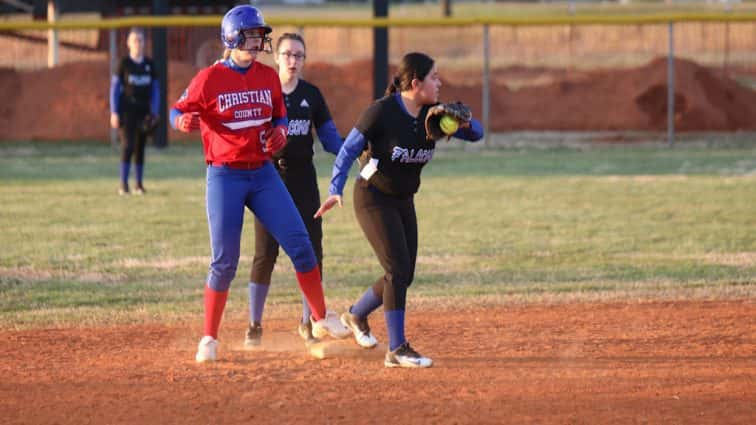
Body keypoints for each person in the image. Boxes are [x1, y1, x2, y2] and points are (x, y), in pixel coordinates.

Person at [169, 5, 350, 363]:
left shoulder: (267, 77)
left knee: (301, 245)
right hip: (225, 174)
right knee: (225, 262)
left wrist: (280, 131)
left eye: (259, 35)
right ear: (233, 37)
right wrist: (180, 122)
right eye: (252, 35)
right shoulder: (209, 79)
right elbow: (177, 109)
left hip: (263, 173)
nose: (258, 41)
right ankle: (209, 338)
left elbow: (279, 114)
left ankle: (319, 317)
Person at [315, 52, 484, 368]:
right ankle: (397, 349)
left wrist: (464, 121)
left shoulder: (431, 116)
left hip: (404, 199)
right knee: (396, 270)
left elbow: (477, 135)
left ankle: (356, 314)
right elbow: (349, 149)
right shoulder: (381, 112)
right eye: (434, 77)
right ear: (416, 83)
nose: (440, 82)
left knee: (404, 274)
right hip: (372, 196)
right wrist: (334, 189)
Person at [244, 33, 343, 348]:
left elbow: (328, 137)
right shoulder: (262, 93)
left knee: (312, 251)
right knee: (265, 253)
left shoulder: (311, 95)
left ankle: (310, 322)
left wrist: (352, 151)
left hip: (303, 181)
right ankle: (254, 325)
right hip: (269, 181)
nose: (293, 61)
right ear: (276, 57)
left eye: (299, 55)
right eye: (287, 54)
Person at [109, 27, 160, 196]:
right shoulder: (124, 64)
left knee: (140, 148)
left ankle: (138, 184)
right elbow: (115, 89)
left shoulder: (149, 65)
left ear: (144, 43)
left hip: (143, 111)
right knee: (128, 146)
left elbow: (155, 89)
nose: (138, 44)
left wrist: (154, 111)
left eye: (140, 40)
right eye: (134, 40)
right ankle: (123, 184)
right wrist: (114, 112)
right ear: (128, 43)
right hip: (127, 111)